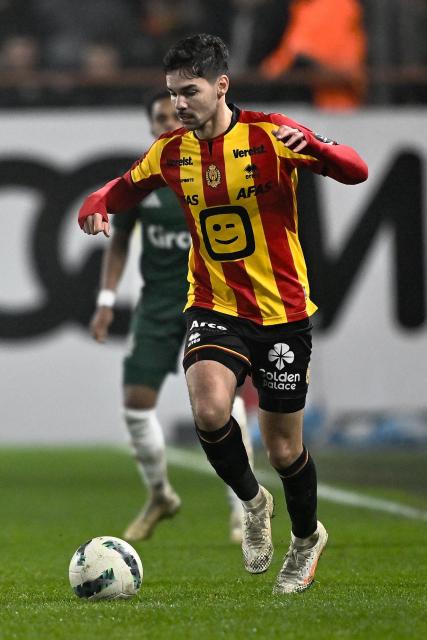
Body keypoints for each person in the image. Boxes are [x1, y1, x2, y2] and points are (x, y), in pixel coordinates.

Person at [78, 33, 368, 594]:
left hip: (283, 312)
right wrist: (97, 201)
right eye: (172, 94)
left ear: (221, 86)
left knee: (285, 448)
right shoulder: (171, 150)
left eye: (190, 92)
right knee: (211, 409)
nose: (179, 105)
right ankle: (253, 503)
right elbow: (125, 187)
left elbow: (354, 169)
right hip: (214, 304)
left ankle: (306, 539)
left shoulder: (270, 134)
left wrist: (318, 149)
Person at [90, 90, 253, 544]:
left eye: (174, 113)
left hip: (211, 300)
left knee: (226, 403)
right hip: (159, 304)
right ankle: (160, 495)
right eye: (160, 116)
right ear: (150, 126)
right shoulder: (140, 182)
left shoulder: (209, 169)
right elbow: (119, 242)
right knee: (136, 403)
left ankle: (244, 506)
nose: (170, 121)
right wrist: (105, 301)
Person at [260, 0, 367, 110]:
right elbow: (279, 62)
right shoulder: (301, 8)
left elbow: (347, 73)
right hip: (299, 108)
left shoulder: (340, 6)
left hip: (334, 110)